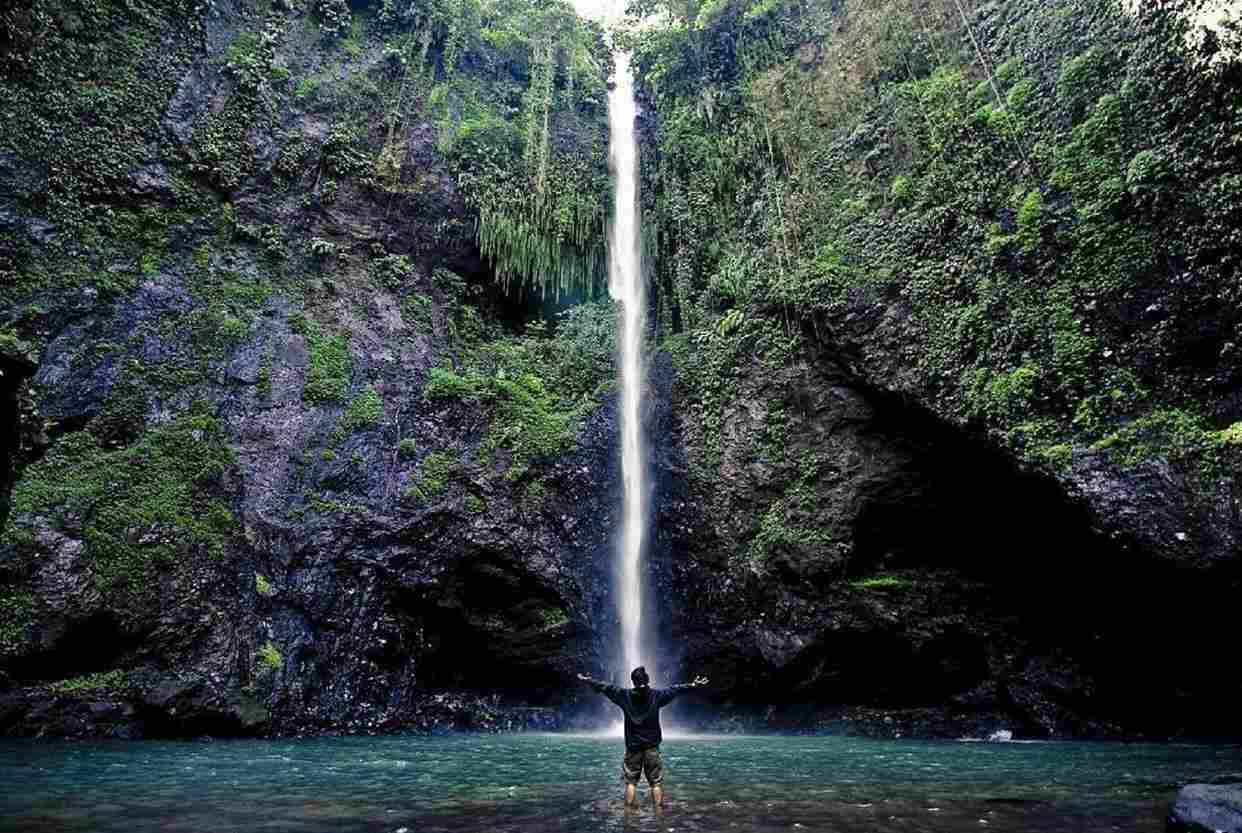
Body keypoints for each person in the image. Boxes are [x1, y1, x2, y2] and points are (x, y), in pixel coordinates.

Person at [578, 666, 709, 808]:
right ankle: (658, 813)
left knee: (631, 782)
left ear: (633, 681)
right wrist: (692, 685)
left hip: (633, 747)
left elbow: (606, 687)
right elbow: (675, 690)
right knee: (656, 783)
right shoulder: (656, 696)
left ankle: (628, 814)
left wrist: (589, 681)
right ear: (647, 680)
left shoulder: (624, 695)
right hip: (652, 746)